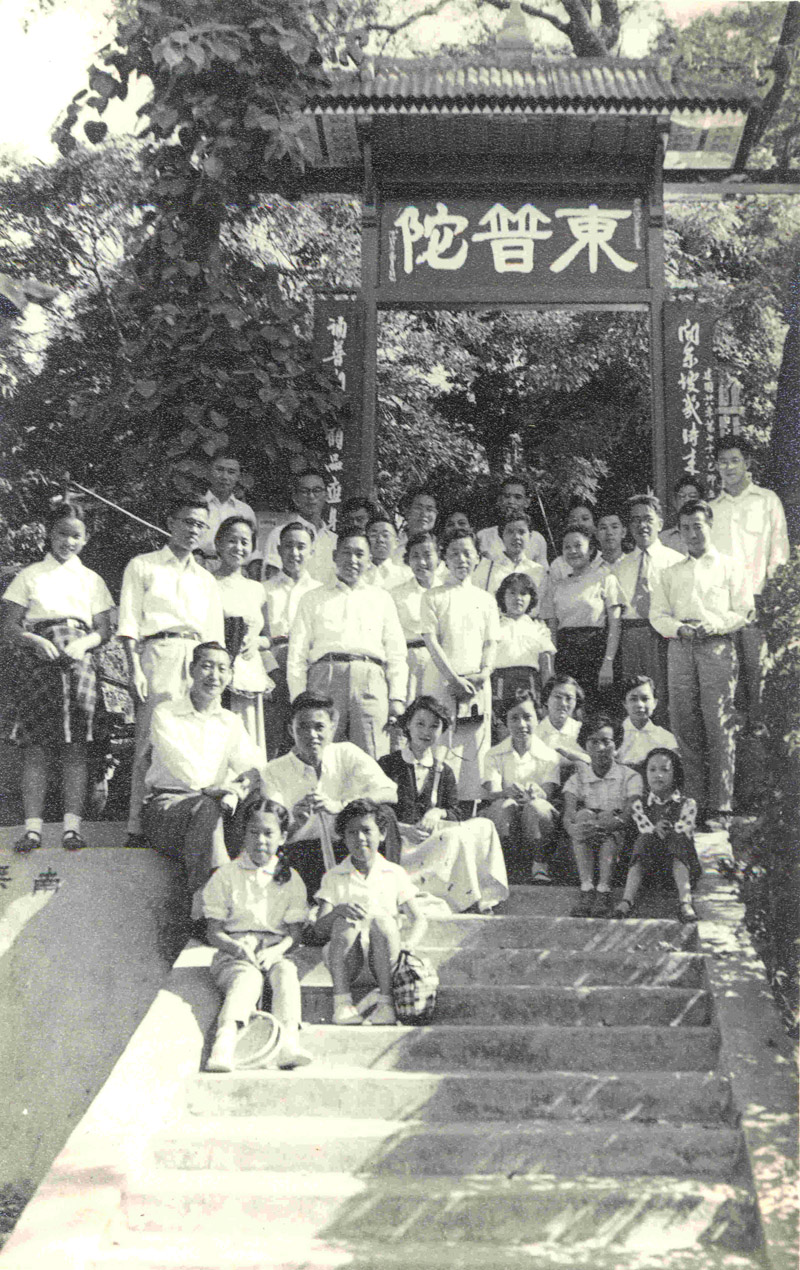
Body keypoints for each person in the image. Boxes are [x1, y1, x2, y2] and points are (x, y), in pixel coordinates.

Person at [2, 501, 114, 853]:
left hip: (77, 661)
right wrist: (33, 640)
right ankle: (32, 829)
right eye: (62, 534)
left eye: (76, 536)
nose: (68, 541)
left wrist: (84, 644)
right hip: (38, 662)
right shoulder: (30, 575)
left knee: (75, 747)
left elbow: (104, 629)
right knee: (35, 748)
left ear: (86, 539)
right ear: (50, 535)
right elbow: (9, 625)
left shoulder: (92, 579)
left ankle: (71, 828)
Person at [118, 495, 225, 846]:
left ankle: (189, 819)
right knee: (150, 741)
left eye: (200, 525)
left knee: (196, 737)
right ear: (170, 522)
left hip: (199, 657)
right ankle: (137, 825)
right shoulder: (143, 566)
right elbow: (130, 623)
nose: (193, 530)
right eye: (187, 522)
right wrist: (135, 668)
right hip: (158, 652)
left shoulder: (207, 580)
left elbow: (214, 635)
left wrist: (213, 675)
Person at [140, 642, 263, 922]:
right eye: (206, 666)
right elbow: (186, 769)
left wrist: (240, 786)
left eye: (222, 669)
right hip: (168, 807)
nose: (214, 675)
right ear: (191, 670)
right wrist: (220, 789)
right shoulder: (166, 713)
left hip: (214, 807)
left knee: (258, 807)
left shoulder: (231, 722)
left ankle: (257, 901)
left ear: (230, 676)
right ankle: (208, 907)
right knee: (207, 808)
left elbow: (254, 766)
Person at [650, 499, 753, 827]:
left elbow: (744, 611)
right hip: (680, 647)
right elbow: (657, 614)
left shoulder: (730, 566)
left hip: (716, 647)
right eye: (685, 528)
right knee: (685, 724)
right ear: (678, 533)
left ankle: (721, 807)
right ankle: (694, 803)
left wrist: (718, 624)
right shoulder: (669, 573)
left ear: (709, 526)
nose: (692, 533)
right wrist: (677, 628)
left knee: (718, 725)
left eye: (698, 526)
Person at [202, 798, 311, 1072]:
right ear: (243, 834)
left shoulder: (291, 878)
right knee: (247, 978)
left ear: (283, 837)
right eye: (253, 832)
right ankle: (224, 1043)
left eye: (268, 833)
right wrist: (239, 950)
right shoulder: (226, 876)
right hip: (234, 950)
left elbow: (294, 934)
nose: (260, 840)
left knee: (286, 974)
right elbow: (214, 932)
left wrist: (275, 952)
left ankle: (289, 1042)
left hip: (276, 950)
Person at [379, 696, 509, 913]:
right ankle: (468, 902)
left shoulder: (443, 770)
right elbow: (375, 813)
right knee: (454, 837)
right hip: (399, 846)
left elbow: (456, 812)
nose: (426, 732)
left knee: (482, 826)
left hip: (432, 844)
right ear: (407, 725)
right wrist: (403, 829)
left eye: (434, 726)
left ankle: (485, 896)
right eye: (420, 724)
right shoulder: (388, 764)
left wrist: (438, 812)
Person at [287, 527, 408, 757]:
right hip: (325, 678)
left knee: (374, 755)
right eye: (346, 553)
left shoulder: (381, 598)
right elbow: (297, 654)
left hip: (371, 680)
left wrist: (397, 698)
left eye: (360, 554)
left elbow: (396, 653)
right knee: (323, 754)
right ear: (334, 556)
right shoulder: (312, 598)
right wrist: (299, 699)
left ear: (369, 559)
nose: (353, 560)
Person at [263, 692, 398, 897]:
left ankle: (389, 891)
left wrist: (342, 805)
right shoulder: (273, 771)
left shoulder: (346, 752)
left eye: (319, 727)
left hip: (350, 848)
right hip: (303, 854)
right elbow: (270, 834)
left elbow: (389, 793)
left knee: (385, 814)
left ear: (332, 728)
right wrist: (295, 822)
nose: (312, 735)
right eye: (303, 727)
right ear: (291, 730)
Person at [313, 799, 427, 1025]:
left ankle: (386, 1004)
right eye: (352, 832)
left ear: (382, 834)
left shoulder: (394, 873)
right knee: (345, 923)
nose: (360, 838)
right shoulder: (334, 876)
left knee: (383, 923)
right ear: (343, 838)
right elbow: (319, 929)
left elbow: (419, 919)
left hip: (385, 959)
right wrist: (338, 911)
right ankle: (342, 1004)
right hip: (348, 963)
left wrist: (409, 944)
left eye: (366, 830)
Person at [710, 436, 789, 728]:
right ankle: (731, 735)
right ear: (716, 467)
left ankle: (759, 731)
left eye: (734, 460)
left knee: (758, 671)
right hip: (722, 605)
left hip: (758, 601)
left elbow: (778, 553)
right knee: (725, 672)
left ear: (747, 463)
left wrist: (768, 599)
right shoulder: (712, 509)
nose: (728, 467)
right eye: (722, 462)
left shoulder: (767, 501)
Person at [420, 529, 500, 804]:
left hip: (477, 686)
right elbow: (431, 641)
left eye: (467, 553)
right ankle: (438, 811)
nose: (461, 559)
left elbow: (491, 642)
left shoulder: (486, 599)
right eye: (454, 553)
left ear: (477, 557)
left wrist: (484, 673)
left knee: (474, 754)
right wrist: (453, 678)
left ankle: (469, 813)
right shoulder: (433, 596)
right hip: (443, 683)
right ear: (444, 558)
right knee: (441, 748)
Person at [613, 494, 683, 723]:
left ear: (660, 523)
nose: (641, 525)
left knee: (663, 697)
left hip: (663, 636)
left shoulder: (676, 561)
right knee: (633, 697)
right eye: (635, 520)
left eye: (648, 519)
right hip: (631, 636)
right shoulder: (621, 566)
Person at [563, 713, 642, 917]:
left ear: (616, 745)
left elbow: (629, 814)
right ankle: (587, 889)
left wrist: (608, 823)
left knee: (607, 816)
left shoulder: (630, 776)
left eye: (606, 741)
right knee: (582, 816)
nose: (600, 748)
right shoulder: (578, 778)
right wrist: (574, 828)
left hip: (617, 834)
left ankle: (604, 891)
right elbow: (568, 814)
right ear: (585, 746)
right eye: (593, 742)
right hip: (587, 836)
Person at [482, 691, 561, 885]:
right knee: (503, 805)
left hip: (536, 822)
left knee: (537, 807)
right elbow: (492, 793)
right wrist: (506, 792)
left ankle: (539, 865)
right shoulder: (494, 754)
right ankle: (505, 867)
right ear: (506, 722)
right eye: (514, 718)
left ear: (537, 718)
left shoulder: (549, 755)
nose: (521, 725)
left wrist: (536, 792)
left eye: (527, 717)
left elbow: (548, 792)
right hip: (509, 820)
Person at [614, 749, 701, 924]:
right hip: (651, 871)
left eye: (664, 770)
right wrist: (655, 829)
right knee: (644, 839)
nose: (658, 775)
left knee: (677, 838)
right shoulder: (640, 805)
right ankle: (626, 900)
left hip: (679, 869)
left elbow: (685, 827)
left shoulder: (687, 804)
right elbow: (644, 827)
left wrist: (666, 829)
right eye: (652, 770)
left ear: (675, 774)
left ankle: (685, 902)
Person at [543, 526, 622, 712]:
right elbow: (552, 631)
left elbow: (615, 626)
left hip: (596, 654)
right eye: (567, 547)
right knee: (570, 711)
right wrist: (551, 669)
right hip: (566, 656)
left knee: (598, 711)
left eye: (578, 545)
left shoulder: (606, 579)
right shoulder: (557, 586)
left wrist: (608, 663)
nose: (572, 551)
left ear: (591, 549)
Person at [214, 517, 272, 762]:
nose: (238, 547)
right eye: (232, 541)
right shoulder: (207, 582)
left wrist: (256, 642)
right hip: (217, 672)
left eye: (244, 542)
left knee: (247, 743)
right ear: (218, 544)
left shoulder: (257, 589)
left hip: (248, 676)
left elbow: (268, 637)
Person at [262, 521, 321, 759]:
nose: (294, 553)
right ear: (278, 550)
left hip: (308, 666)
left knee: (307, 732)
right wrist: (270, 672)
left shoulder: (321, 591)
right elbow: (259, 635)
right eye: (288, 546)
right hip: (273, 665)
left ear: (311, 552)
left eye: (301, 547)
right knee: (273, 735)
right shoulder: (264, 589)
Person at [491, 574, 555, 729]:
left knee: (528, 728)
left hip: (530, 686)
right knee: (502, 729)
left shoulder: (538, 628)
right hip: (500, 686)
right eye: (512, 592)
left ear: (531, 598)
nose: (518, 598)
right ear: (503, 596)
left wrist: (547, 702)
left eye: (523, 593)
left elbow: (546, 669)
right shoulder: (493, 626)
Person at [389, 531, 445, 705]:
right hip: (410, 662)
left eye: (427, 555)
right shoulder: (396, 594)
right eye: (415, 556)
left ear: (438, 557)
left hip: (444, 661)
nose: (421, 562)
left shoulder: (448, 591)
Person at [261, 468, 337, 584]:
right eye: (304, 491)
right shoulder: (279, 534)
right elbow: (271, 581)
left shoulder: (333, 540)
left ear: (326, 495)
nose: (311, 496)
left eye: (317, 490)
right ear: (295, 498)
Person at [476, 474, 549, 569]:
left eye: (517, 497)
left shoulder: (537, 539)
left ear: (527, 502)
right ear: (500, 500)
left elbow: (543, 573)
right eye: (507, 496)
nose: (511, 501)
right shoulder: (483, 536)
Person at [196, 452, 257, 564]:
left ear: (238, 477)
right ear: (209, 473)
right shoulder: (197, 507)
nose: (224, 477)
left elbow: (252, 550)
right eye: (219, 470)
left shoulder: (245, 511)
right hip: (200, 564)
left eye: (231, 472)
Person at [473, 513, 548, 595]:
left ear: (529, 537)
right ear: (501, 536)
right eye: (510, 532)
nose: (516, 537)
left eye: (521, 532)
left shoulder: (538, 571)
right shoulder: (487, 567)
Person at [616, 676, 678, 769]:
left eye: (645, 699)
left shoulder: (666, 738)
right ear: (625, 704)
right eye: (633, 699)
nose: (640, 705)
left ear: (655, 703)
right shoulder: (615, 734)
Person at [534, 675, 589, 770]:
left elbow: (594, 761)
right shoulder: (535, 733)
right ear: (546, 700)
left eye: (569, 698)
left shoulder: (584, 730)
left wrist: (565, 752)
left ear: (576, 702)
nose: (563, 703)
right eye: (558, 697)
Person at [548, 499, 603, 582]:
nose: (580, 523)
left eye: (585, 519)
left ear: (595, 526)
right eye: (574, 520)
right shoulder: (559, 565)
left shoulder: (603, 561)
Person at [660, 474, 706, 554]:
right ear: (674, 502)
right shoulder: (664, 538)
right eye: (682, 497)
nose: (687, 500)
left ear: (702, 502)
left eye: (692, 496)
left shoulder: (710, 533)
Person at [364, 514, 412, 590]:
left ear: (396, 542)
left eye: (385, 535)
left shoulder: (406, 576)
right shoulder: (359, 574)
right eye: (373, 535)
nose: (380, 540)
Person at [396, 487, 439, 561]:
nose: (424, 514)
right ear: (407, 511)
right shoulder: (394, 544)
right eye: (418, 508)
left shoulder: (441, 548)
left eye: (429, 509)